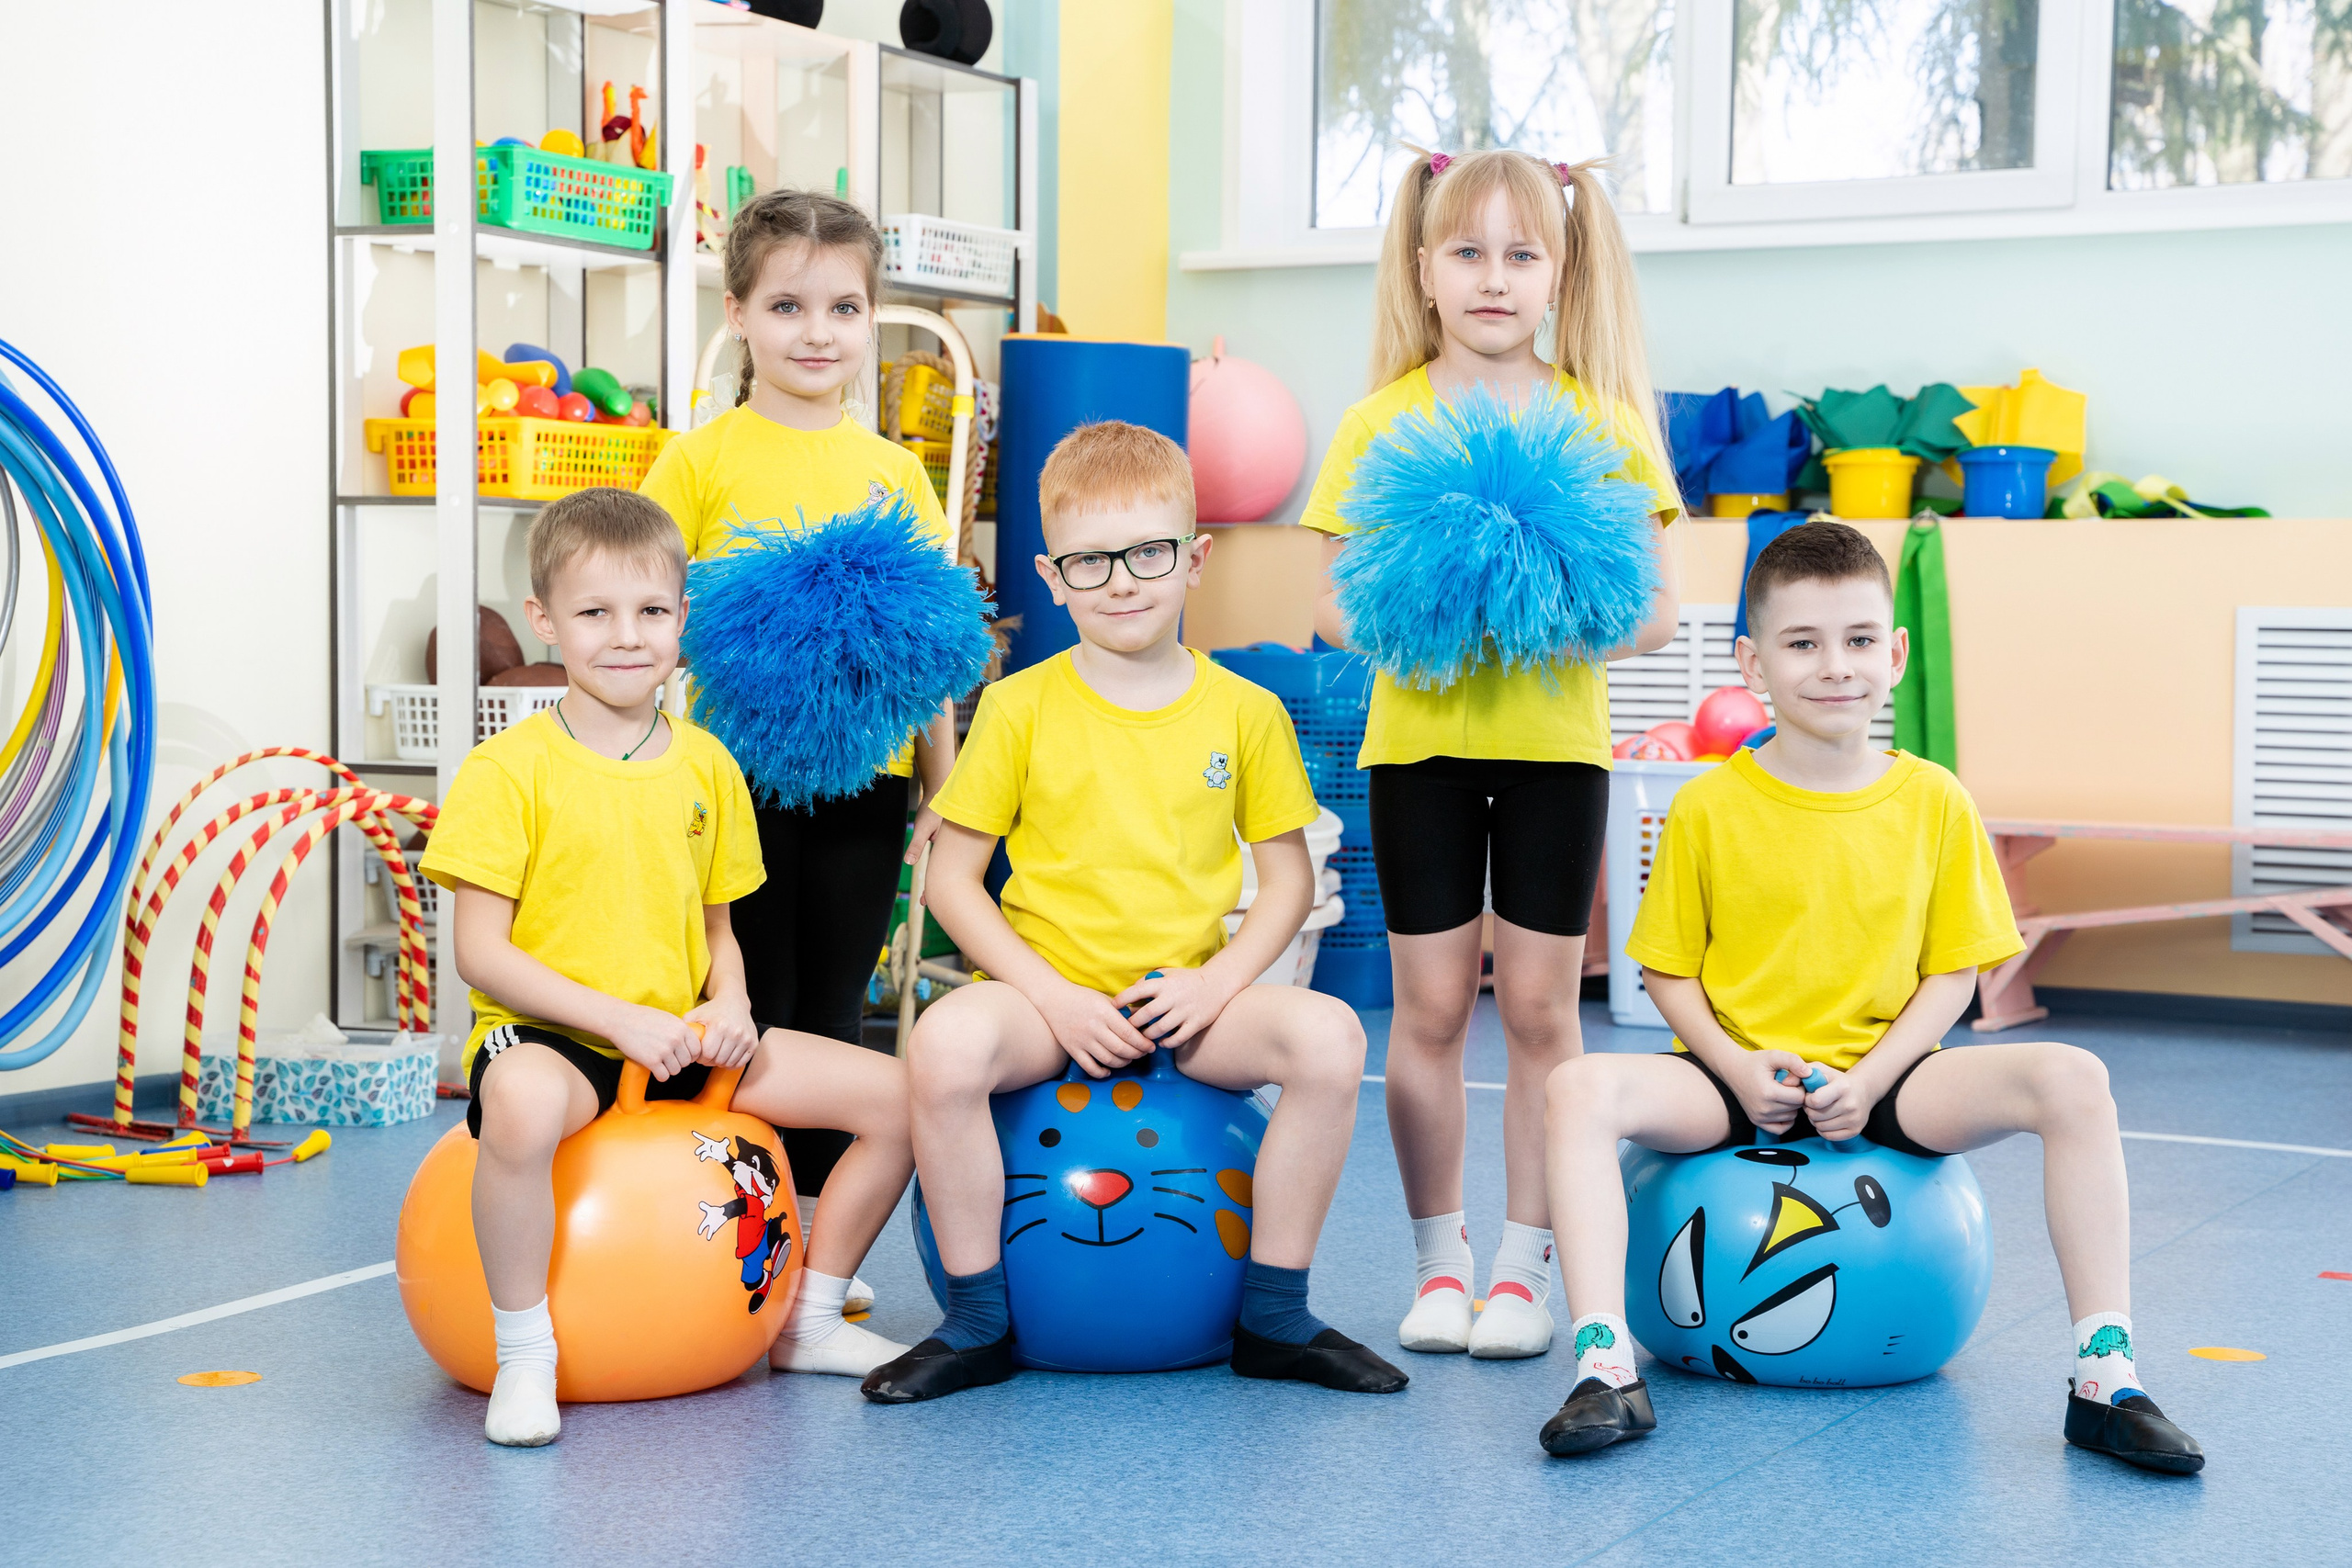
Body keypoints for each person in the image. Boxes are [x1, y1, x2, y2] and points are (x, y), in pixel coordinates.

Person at [1535, 520, 2203, 1474]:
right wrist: (1733, 1063)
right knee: (1576, 1089)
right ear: (1750, 663)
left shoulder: (1935, 800)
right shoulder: (1705, 807)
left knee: (2073, 1077)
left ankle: (2106, 1379)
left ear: (1892, 655)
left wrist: (1873, 1075)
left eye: (1855, 641)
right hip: (1731, 1078)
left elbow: (1954, 974)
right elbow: (1666, 973)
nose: (1832, 666)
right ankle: (1604, 1369)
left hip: (1893, 1080)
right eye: (1800, 643)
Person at [859, 422, 1406, 1404]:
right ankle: (979, 1318)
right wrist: (1053, 998)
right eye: (1090, 561)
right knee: (941, 1050)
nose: (1121, 580)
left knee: (1327, 1040)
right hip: (1042, 1001)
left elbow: (1286, 881)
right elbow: (951, 880)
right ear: (1051, 575)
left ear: (1193, 558)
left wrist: (1214, 986)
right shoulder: (1020, 707)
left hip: (1185, 1003)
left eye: (1148, 552)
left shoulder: (1246, 713)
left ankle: (1274, 1316)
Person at [423, 488, 917, 1450]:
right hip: (562, 1040)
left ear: (682, 619)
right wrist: (617, 1022)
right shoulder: (507, 770)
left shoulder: (706, 765)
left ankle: (807, 1321)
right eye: (594, 613)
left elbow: (717, 927)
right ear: (544, 622)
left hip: (683, 1040)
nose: (625, 636)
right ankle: (526, 1353)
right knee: (519, 1108)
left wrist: (727, 999)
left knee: (901, 1098)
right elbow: (480, 951)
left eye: (651, 611)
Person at [1301, 148, 1683, 1360]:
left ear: (1561, 275)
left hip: (1557, 756)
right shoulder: (1381, 420)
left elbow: (1659, 609)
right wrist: (1429, 615)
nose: (1494, 278)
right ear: (1422, 269)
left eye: (1523, 254)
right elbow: (1328, 601)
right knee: (1424, 1009)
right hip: (1416, 754)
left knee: (1536, 1012)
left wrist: (1534, 608)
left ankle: (1525, 1265)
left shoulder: (1603, 422)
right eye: (1467, 251)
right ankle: (1439, 1257)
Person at [640, 189, 956, 1310]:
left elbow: (927, 654)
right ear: (738, 315)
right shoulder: (699, 460)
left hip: (863, 794)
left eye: (843, 306)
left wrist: (942, 782)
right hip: (727, 793)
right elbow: (645, 619)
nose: (816, 331)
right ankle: (724, 1232)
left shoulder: (894, 472)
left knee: (831, 1011)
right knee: (742, 1013)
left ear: (872, 316)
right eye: (786, 305)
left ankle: (814, 1253)